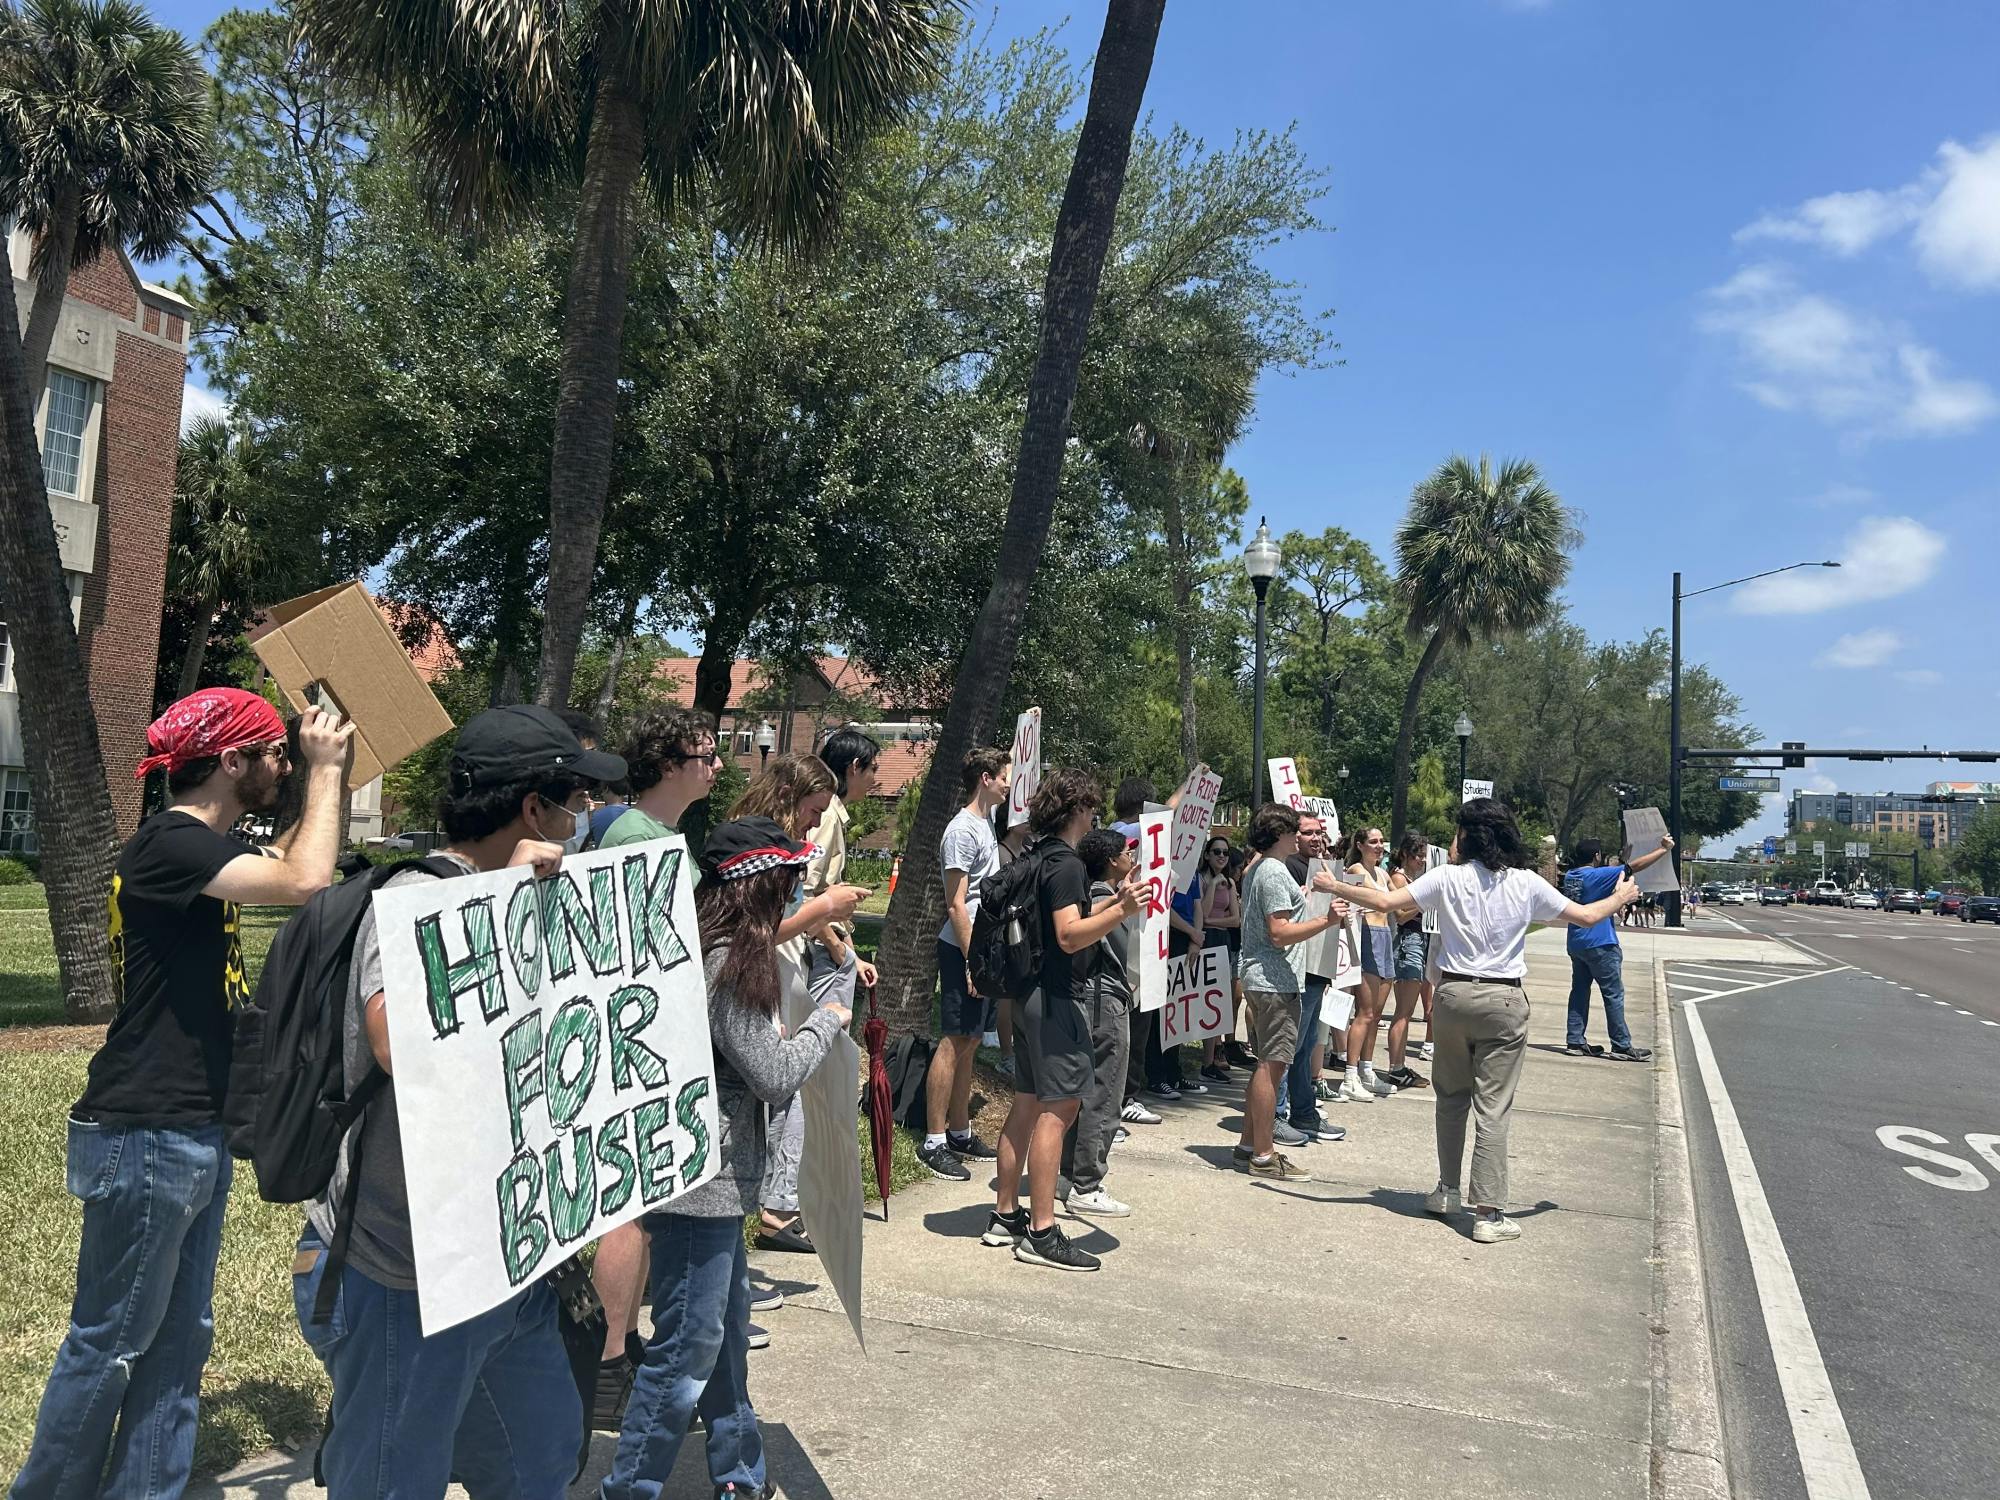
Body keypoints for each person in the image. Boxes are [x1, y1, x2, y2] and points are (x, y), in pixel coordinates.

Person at [11, 690, 354, 1500]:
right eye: (273, 752)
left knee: (177, 1342)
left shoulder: (201, 851)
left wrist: (319, 778)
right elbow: (308, 881)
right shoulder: (169, 844)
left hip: (190, 1128)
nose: (285, 763)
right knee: (112, 1340)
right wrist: (329, 768)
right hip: (145, 1129)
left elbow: (294, 864)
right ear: (230, 761)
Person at [291, 703, 624, 1495]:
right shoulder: (413, 897)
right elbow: (394, 1042)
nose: (585, 817)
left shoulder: (544, 895)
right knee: (391, 1482)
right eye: (574, 799)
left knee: (538, 1458)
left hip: (510, 1267)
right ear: (531, 807)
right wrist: (494, 913)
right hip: (403, 1279)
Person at [602, 817, 853, 1500]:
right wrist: (829, 1019)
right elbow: (773, 1074)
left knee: (726, 1336)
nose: (800, 886)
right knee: (685, 1353)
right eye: (791, 875)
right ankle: (628, 1489)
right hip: (697, 1183)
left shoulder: (715, 945)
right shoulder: (726, 962)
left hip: (708, 1175)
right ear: (761, 885)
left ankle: (740, 1474)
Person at [1338, 798, 1639, 1244]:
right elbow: (1587, 915)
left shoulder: (1446, 877)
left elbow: (1383, 900)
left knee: (1451, 1098)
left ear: (1469, 836)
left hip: (1453, 995)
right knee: (1492, 1108)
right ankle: (1490, 1212)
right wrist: (1622, 896)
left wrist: (1332, 884)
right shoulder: (1525, 882)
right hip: (1504, 998)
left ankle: (1447, 1189)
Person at [590, 704, 724, 1427]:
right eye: (707, 755)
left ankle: (620, 1342)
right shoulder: (642, 838)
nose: (720, 766)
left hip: (632, 1035)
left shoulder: (637, 831)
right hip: (633, 1042)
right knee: (628, 1206)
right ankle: (611, 1357)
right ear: (670, 762)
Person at [982, 770, 1142, 1272]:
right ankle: (1043, 1230)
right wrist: (1122, 909)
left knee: (1027, 1104)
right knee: (1061, 1108)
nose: (1094, 817)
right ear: (1077, 811)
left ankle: (1005, 1213)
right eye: (1092, 810)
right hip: (1055, 998)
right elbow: (1070, 936)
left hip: (1026, 994)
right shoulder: (1068, 866)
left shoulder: (1034, 856)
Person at [731, 755, 870, 1258]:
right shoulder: (758, 846)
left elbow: (791, 913)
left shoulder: (777, 845)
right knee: (781, 1085)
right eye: (813, 809)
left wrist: (834, 941)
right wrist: (825, 908)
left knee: (787, 1087)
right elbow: (760, 932)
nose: (817, 821)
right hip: (765, 976)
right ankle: (775, 1208)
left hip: (784, 973)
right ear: (789, 797)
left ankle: (776, 1205)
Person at [1233, 804, 1348, 1183]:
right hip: (1275, 979)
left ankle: (1249, 1145)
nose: (1303, 835)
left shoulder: (1261, 869)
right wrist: (1325, 920)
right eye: (1296, 829)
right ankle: (1265, 1155)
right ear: (1283, 834)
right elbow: (1279, 932)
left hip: (1264, 978)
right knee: (1273, 1065)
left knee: (1267, 1063)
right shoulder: (1274, 871)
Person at [921, 747, 1011, 1181]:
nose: (1010, 784)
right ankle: (934, 1141)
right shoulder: (961, 830)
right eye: (1005, 776)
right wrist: (973, 961)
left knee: (971, 1041)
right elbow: (956, 904)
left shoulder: (987, 823)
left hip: (983, 949)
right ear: (985, 778)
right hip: (962, 949)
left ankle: (959, 1130)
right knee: (954, 1040)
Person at [1058, 828, 1141, 1217]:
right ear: (1112, 861)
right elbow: (1126, 950)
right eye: (1127, 851)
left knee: (1080, 1091)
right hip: (1105, 1000)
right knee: (1105, 1092)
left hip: (1087, 999)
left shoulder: (1083, 896)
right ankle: (1087, 1183)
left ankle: (1067, 1174)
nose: (1131, 856)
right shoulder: (1105, 899)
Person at [1561, 833, 1675, 1061]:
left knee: (1580, 991)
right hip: (1601, 942)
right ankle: (1621, 1045)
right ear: (1596, 856)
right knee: (1613, 994)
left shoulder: (1571, 877)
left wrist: (1621, 860)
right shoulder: (1596, 875)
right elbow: (1634, 867)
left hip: (1576, 941)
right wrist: (1663, 849)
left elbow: (1614, 873)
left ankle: (1575, 1040)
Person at [803, 727, 882, 1008]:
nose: (876, 779)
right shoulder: (824, 817)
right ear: (854, 767)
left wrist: (852, 955)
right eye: (873, 768)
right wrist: (837, 949)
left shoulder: (832, 814)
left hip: (829, 946)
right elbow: (806, 891)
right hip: (820, 949)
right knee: (824, 1042)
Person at [1281, 813, 1345, 1142]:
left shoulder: (1326, 867)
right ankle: (1280, 1113)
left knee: (1306, 1045)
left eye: (1319, 832)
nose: (1316, 838)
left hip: (1319, 966)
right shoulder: (1290, 866)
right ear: (1295, 837)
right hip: (1299, 966)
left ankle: (1304, 1112)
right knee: (1289, 1045)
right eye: (1308, 833)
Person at [1341, 827, 1398, 1103]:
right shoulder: (1355, 870)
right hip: (1366, 938)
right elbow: (1346, 903)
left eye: (1381, 842)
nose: (1379, 846)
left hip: (1385, 938)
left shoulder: (1383, 874)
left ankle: (1367, 1070)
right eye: (1373, 842)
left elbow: (1400, 906)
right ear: (1360, 845)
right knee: (1364, 1012)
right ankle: (1350, 1076)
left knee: (1376, 1014)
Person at [1381, 831, 1435, 1091]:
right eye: (1417, 856)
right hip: (1406, 941)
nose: (1421, 860)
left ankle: (1399, 1064)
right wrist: (1423, 900)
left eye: (1424, 856)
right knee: (1403, 1010)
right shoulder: (1399, 878)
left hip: (1419, 939)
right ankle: (1395, 1067)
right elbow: (1401, 915)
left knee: (1408, 1010)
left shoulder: (1414, 878)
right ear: (1405, 854)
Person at [1197, 837, 1240, 1084]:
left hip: (1222, 940)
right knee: (1204, 998)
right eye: (1216, 852)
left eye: (1225, 852)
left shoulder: (1231, 882)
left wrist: (1211, 921)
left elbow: (1235, 919)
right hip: (1204, 940)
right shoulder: (1203, 880)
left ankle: (1210, 1059)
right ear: (1207, 855)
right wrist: (1213, 885)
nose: (1222, 856)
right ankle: (1205, 1060)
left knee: (1218, 1000)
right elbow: (1201, 912)